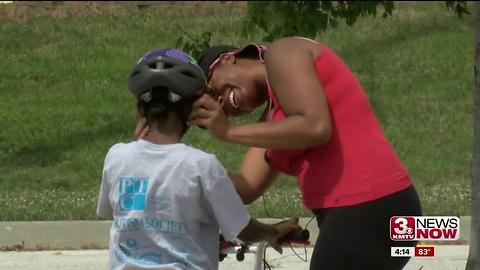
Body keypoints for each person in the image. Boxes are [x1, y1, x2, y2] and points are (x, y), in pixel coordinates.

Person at [184, 37, 422, 270]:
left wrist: (228, 132)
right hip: (376, 211)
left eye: (213, 91)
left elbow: (316, 127)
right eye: (217, 109)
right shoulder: (274, 121)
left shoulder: (282, 52)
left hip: (368, 205)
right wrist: (170, 163)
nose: (223, 104)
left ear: (227, 59)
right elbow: (246, 187)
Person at [97, 48, 300, 270]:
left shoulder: (116, 156)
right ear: (191, 111)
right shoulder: (202, 166)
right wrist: (271, 232)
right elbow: (243, 230)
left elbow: (112, 209)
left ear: (140, 109)